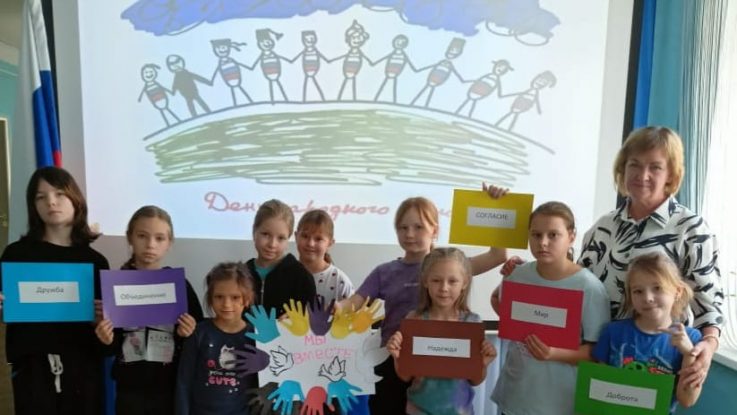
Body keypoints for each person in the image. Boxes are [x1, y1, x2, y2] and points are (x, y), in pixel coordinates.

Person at [502, 126, 723, 388]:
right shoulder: (603, 227)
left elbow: (708, 306)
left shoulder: (692, 230)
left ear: (671, 174)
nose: (642, 175)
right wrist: (533, 270)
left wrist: (708, 345)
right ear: (622, 168)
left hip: (657, 366)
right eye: (634, 164)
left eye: (655, 167)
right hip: (600, 363)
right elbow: (574, 282)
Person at [340, 195, 507, 414]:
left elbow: (498, 255)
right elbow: (355, 301)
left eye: (418, 227)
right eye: (403, 227)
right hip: (394, 362)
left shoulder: (450, 265)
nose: (409, 234)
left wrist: (495, 206)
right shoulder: (385, 272)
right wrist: (337, 309)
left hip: (438, 366)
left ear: (434, 230)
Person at [0, 166, 110, 415]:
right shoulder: (16, 255)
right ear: (33, 205)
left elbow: (106, 334)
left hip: (82, 372)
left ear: (75, 199)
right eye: (41, 197)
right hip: (32, 371)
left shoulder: (95, 261)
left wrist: (102, 322)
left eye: (59, 193)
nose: (51, 201)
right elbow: (5, 310)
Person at [491, 201, 610, 415]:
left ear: (571, 237)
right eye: (536, 235)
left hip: (559, 403)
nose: (543, 243)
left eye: (553, 235)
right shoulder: (518, 275)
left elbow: (596, 353)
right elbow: (506, 313)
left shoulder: (589, 288)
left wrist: (553, 353)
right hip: (514, 397)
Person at [94, 205, 204, 414]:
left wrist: (186, 334)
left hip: (170, 387)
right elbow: (109, 348)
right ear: (130, 237)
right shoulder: (115, 286)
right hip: (129, 389)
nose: (150, 245)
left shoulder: (179, 285)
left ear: (169, 243)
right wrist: (105, 339)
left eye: (159, 238)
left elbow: (198, 339)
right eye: (142, 236)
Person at [386, 247, 497, 414]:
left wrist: (483, 363)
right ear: (425, 281)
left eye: (452, 281)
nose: (444, 288)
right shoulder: (414, 320)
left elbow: (475, 380)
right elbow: (405, 376)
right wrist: (397, 357)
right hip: (419, 410)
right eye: (436, 280)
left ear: (464, 283)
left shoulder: (472, 323)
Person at [593, 253, 703, 413]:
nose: (648, 298)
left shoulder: (692, 339)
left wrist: (689, 354)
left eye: (657, 288)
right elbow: (598, 389)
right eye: (638, 291)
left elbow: (687, 400)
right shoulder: (613, 332)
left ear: (677, 291)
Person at [175, 262, 257, 414]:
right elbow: (184, 382)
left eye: (235, 297)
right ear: (210, 299)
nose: (226, 304)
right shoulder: (198, 333)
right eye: (219, 297)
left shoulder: (256, 337)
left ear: (247, 299)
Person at [246, 199, 317, 313]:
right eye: (266, 234)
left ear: (288, 238)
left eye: (281, 238)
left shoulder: (302, 278)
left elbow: (311, 318)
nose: (272, 244)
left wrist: (296, 319)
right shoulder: (241, 274)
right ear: (254, 232)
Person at [295, 209, 354, 304]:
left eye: (318, 239)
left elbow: (353, 311)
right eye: (305, 236)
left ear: (330, 243)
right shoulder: (284, 275)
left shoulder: (339, 281)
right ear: (296, 236)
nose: (310, 243)